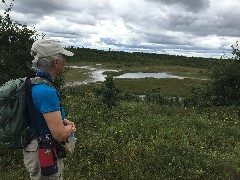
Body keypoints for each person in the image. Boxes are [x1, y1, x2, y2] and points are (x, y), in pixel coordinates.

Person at [23, 39, 76, 180]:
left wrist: (63, 120)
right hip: (44, 151)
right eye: (63, 57)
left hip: (36, 148)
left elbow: (38, 113)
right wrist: (70, 128)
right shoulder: (46, 91)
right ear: (55, 62)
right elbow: (59, 135)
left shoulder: (34, 82)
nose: (65, 60)